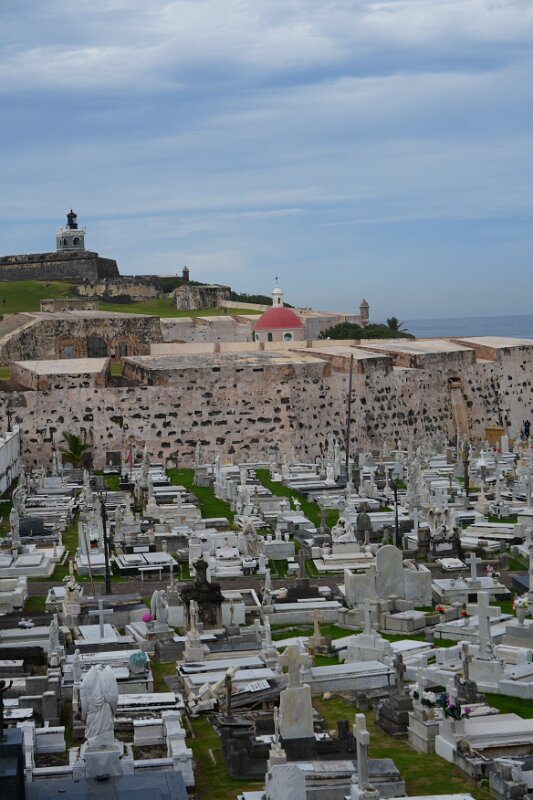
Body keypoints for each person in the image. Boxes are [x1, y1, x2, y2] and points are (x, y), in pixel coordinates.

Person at [80, 664, 118, 747]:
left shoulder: (86, 680)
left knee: (94, 731)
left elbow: (84, 702)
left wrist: (83, 716)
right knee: (105, 729)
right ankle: (103, 740)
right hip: (104, 709)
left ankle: (95, 740)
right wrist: (113, 712)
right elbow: (112, 698)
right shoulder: (106, 677)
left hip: (93, 710)